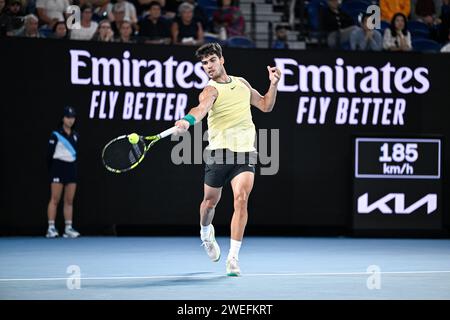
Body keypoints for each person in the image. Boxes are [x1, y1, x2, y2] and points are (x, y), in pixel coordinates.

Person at [174, 43, 281, 276]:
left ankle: (233, 258)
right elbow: (200, 109)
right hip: (218, 153)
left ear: (222, 60)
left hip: (245, 152)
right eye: (204, 64)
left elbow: (265, 105)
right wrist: (187, 121)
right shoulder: (210, 90)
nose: (208, 66)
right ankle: (205, 232)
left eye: (211, 60)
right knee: (209, 203)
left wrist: (273, 84)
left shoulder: (241, 83)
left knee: (241, 199)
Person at [46, 106, 80, 239]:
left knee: (69, 200)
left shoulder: (76, 135)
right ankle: (51, 227)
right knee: (55, 199)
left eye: (72, 117)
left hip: (71, 167)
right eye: (68, 117)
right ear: (63, 118)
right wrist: (53, 168)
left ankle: (68, 228)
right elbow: (48, 155)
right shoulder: (56, 135)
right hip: (58, 167)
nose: (70, 120)